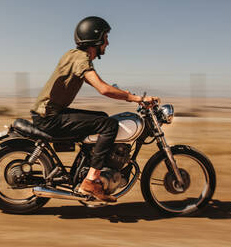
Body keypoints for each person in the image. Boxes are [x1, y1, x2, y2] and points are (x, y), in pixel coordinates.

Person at [30, 16, 159, 202]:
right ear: (95, 38)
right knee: (109, 125)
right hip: (49, 118)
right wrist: (137, 98)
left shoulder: (74, 56)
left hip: (48, 114)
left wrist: (123, 93)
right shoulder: (80, 58)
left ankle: (87, 168)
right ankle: (91, 180)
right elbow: (103, 88)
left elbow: (101, 85)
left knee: (102, 117)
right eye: (105, 37)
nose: (107, 42)